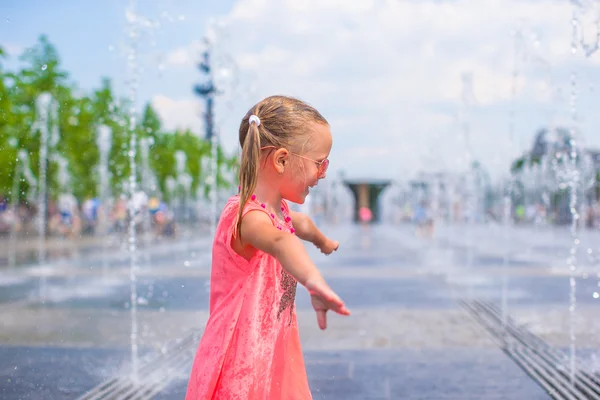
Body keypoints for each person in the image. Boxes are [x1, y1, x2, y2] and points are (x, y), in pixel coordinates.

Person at [185, 96, 350, 399]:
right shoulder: (246, 218)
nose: (323, 173)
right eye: (320, 163)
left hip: (271, 345)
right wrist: (314, 282)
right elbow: (281, 240)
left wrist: (323, 242)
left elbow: (302, 225)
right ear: (282, 160)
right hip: (241, 355)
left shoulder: (280, 213)